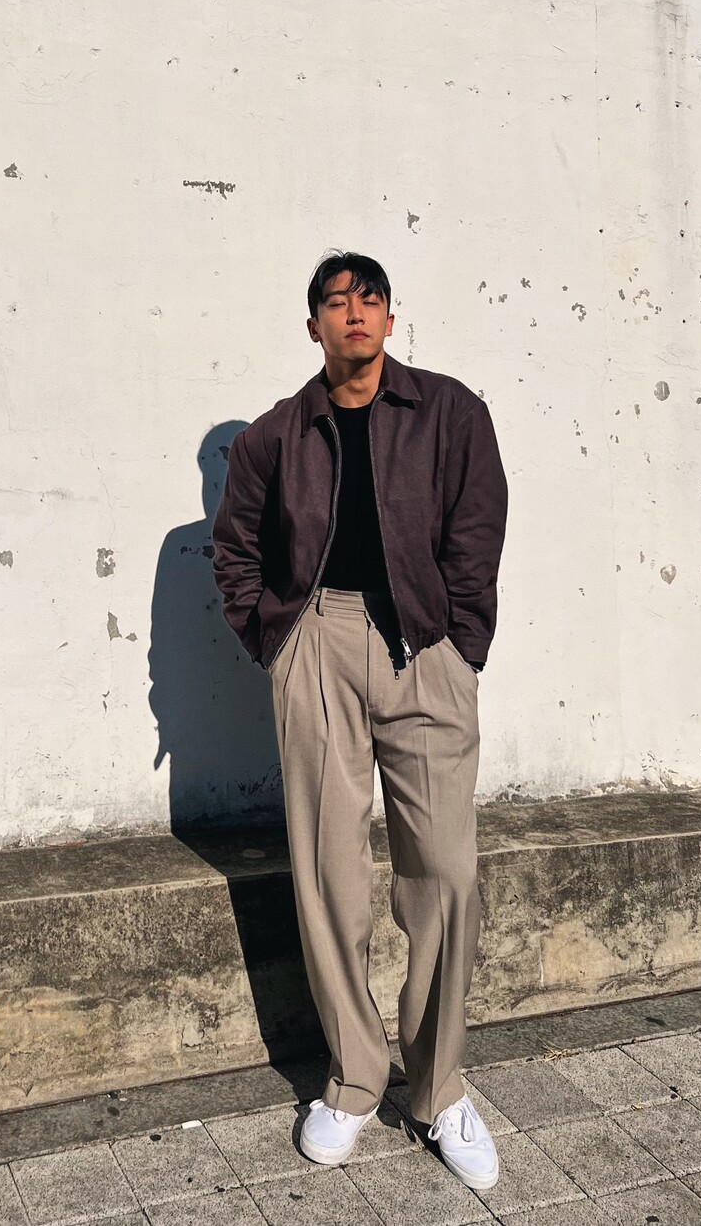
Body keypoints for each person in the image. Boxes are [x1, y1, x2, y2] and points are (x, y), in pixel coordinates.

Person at [211, 249, 508, 1188]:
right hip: (319, 641)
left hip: (425, 644)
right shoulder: (274, 436)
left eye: (369, 299)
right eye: (336, 302)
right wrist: (277, 641)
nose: (355, 313)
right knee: (328, 869)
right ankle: (352, 1078)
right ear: (313, 326)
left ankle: (439, 1086)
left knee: (445, 871)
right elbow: (235, 547)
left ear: (389, 317)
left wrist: (462, 640)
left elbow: (478, 526)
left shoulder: (450, 412)